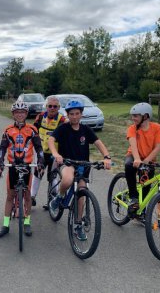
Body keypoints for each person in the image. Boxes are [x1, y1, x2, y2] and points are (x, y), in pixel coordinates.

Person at [48, 100, 111, 241]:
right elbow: (51, 140)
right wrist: (56, 154)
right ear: (67, 115)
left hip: (83, 165)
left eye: (77, 114)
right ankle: (59, 197)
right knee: (68, 179)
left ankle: (78, 225)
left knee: (81, 195)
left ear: (81, 114)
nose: (75, 117)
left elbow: (98, 143)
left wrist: (106, 157)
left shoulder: (85, 129)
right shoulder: (63, 128)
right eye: (72, 114)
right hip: (67, 163)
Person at [0, 101, 45, 238]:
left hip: (27, 166)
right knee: (10, 196)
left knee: (28, 195)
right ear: (13, 114)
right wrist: (0, 162)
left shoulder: (32, 130)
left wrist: (40, 161)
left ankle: (27, 222)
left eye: (22, 112)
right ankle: (5, 225)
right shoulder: (7, 130)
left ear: (26, 114)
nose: (20, 114)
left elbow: (39, 148)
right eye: (17, 112)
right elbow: (2, 149)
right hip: (12, 166)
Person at [124, 102, 160, 213]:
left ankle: (141, 211)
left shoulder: (157, 128)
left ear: (145, 116)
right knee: (129, 165)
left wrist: (146, 161)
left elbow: (158, 147)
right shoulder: (132, 129)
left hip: (149, 159)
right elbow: (133, 145)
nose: (133, 118)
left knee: (146, 185)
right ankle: (133, 197)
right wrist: (137, 159)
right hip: (133, 155)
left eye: (135, 116)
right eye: (132, 116)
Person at [30, 96, 67, 209]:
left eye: (55, 106)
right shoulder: (40, 117)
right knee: (38, 174)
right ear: (46, 106)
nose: (52, 108)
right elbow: (33, 132)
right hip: (40, 152)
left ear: (59, 107)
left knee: (53, 176)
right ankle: (32, 197)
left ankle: (52, 200)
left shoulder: (62, 120)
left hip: (54, 153)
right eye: (50, 106)